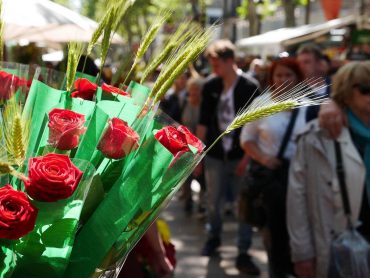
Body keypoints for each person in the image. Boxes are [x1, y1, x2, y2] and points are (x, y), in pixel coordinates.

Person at [287, 61, 370, 278]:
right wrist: (302, 253)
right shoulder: (316, 138)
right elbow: (298, 199)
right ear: (346, 92)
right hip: (339, 244)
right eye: (365, 89)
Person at [196, 39, 260, 275]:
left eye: (217, 64)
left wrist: (247, 158)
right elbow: (203, 122)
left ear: (230, 61)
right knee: (213, 200)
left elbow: (256, 126)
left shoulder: (250, 86)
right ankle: (213, 238)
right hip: (214, 155)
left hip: (240, 154)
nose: (214, 69)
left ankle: (244, 250)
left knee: (244, 204)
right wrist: (199, 156)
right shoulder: (210, 85)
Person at [240, 57, 307, 277]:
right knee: (276, 235)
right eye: (279, 75)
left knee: (301, 234)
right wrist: (264, 159)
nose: (283, 80)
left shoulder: (310, 104)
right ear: (271, 78)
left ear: (298, 78)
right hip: (273, 181)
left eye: (289, 75)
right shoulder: (262, 103)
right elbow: (246, 139)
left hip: (303, 179)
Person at [181, 77, 206, 214]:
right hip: (186, 146)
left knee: (202, 177)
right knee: (186, 176)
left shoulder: (204, 106)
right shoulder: (184, 103)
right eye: (192, 90)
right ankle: (188, 200)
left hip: (201, 146)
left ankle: (202, 203)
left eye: (197, 90)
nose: (194, 92)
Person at [296, 43, 331, 121]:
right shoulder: (295, 91)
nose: (301, 66)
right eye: (299, 63)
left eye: (306, 62)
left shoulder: (335, 86)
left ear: (319, 63)